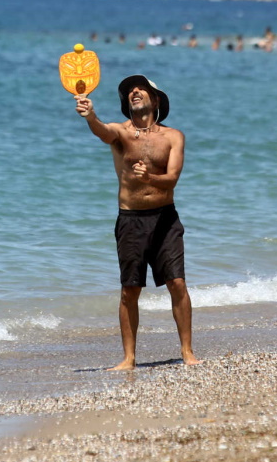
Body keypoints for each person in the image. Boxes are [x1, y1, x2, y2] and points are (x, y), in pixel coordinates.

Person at [74, 76, 200, 369]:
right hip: (131, 219)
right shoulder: (121, 133)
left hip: (165, 218)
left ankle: (188, 352)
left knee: (177, 283)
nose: (134, 91)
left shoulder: (173, 137)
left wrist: (149, 178)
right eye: (130, 90)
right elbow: (102, 131)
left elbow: (172, 179)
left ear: (155, 100)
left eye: (141, 88)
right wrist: (90, 115)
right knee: (129, 290)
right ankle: (129, 358)